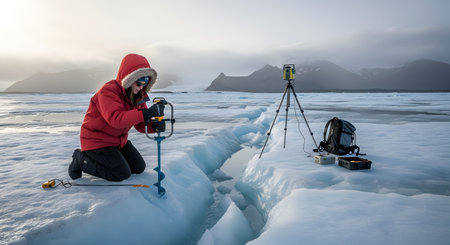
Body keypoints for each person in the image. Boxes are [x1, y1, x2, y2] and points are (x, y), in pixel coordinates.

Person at [68, 53, 165, 181]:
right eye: (139, 83)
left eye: (145, 83)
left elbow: (141, 124)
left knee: (138, 167)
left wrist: (154, 126)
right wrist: (146, 114)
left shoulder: (137, 96)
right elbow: (116, 119)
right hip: (97, 141)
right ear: (130, 79)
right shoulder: (108, 91)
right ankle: (80, 159)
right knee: (121, 173)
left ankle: (111, 158)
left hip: (118, 142)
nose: (141, 87)